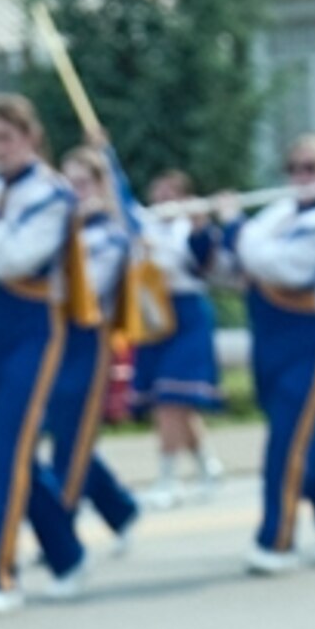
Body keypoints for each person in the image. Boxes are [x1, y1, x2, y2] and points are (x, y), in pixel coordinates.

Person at [0, 94, 98, 615]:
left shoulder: (53, 194)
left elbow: (11, 259)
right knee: (19, 451)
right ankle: (67, 554)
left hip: (35, 331)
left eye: (7, 138)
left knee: (5, 452)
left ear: (31, 138)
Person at [221, 134, 315, 576]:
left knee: (286, 444)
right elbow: (239, 265)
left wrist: (234, 228)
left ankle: (276, 541)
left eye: (314, 167)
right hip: (270, 343)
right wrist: (209, 241)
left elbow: (280, 267)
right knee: (305, 440)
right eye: (296, 168)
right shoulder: (279, 214)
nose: (304, 177)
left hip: (313, 347)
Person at [35, 146, 142, 595]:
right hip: (55, 344)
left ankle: (62, 531)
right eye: (70, 184)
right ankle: (119, 509)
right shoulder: (64, 230)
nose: (76, 194)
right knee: (65, 434)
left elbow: (86, 291)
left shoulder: (107, 236)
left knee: (71, 444)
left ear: (100, 188)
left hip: (88, 343)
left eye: (84, 184)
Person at [122, 168, 226, 507]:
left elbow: (202, 264)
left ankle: (167, 478)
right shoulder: (144, 225)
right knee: (169, 403)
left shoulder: (189, 231)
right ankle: (207, 466)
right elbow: (120, 197)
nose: (164, 198)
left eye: (172, 193)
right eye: (159, 192)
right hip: (155, 317)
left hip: (187, 315)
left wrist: (200, 226)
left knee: (172, 398)